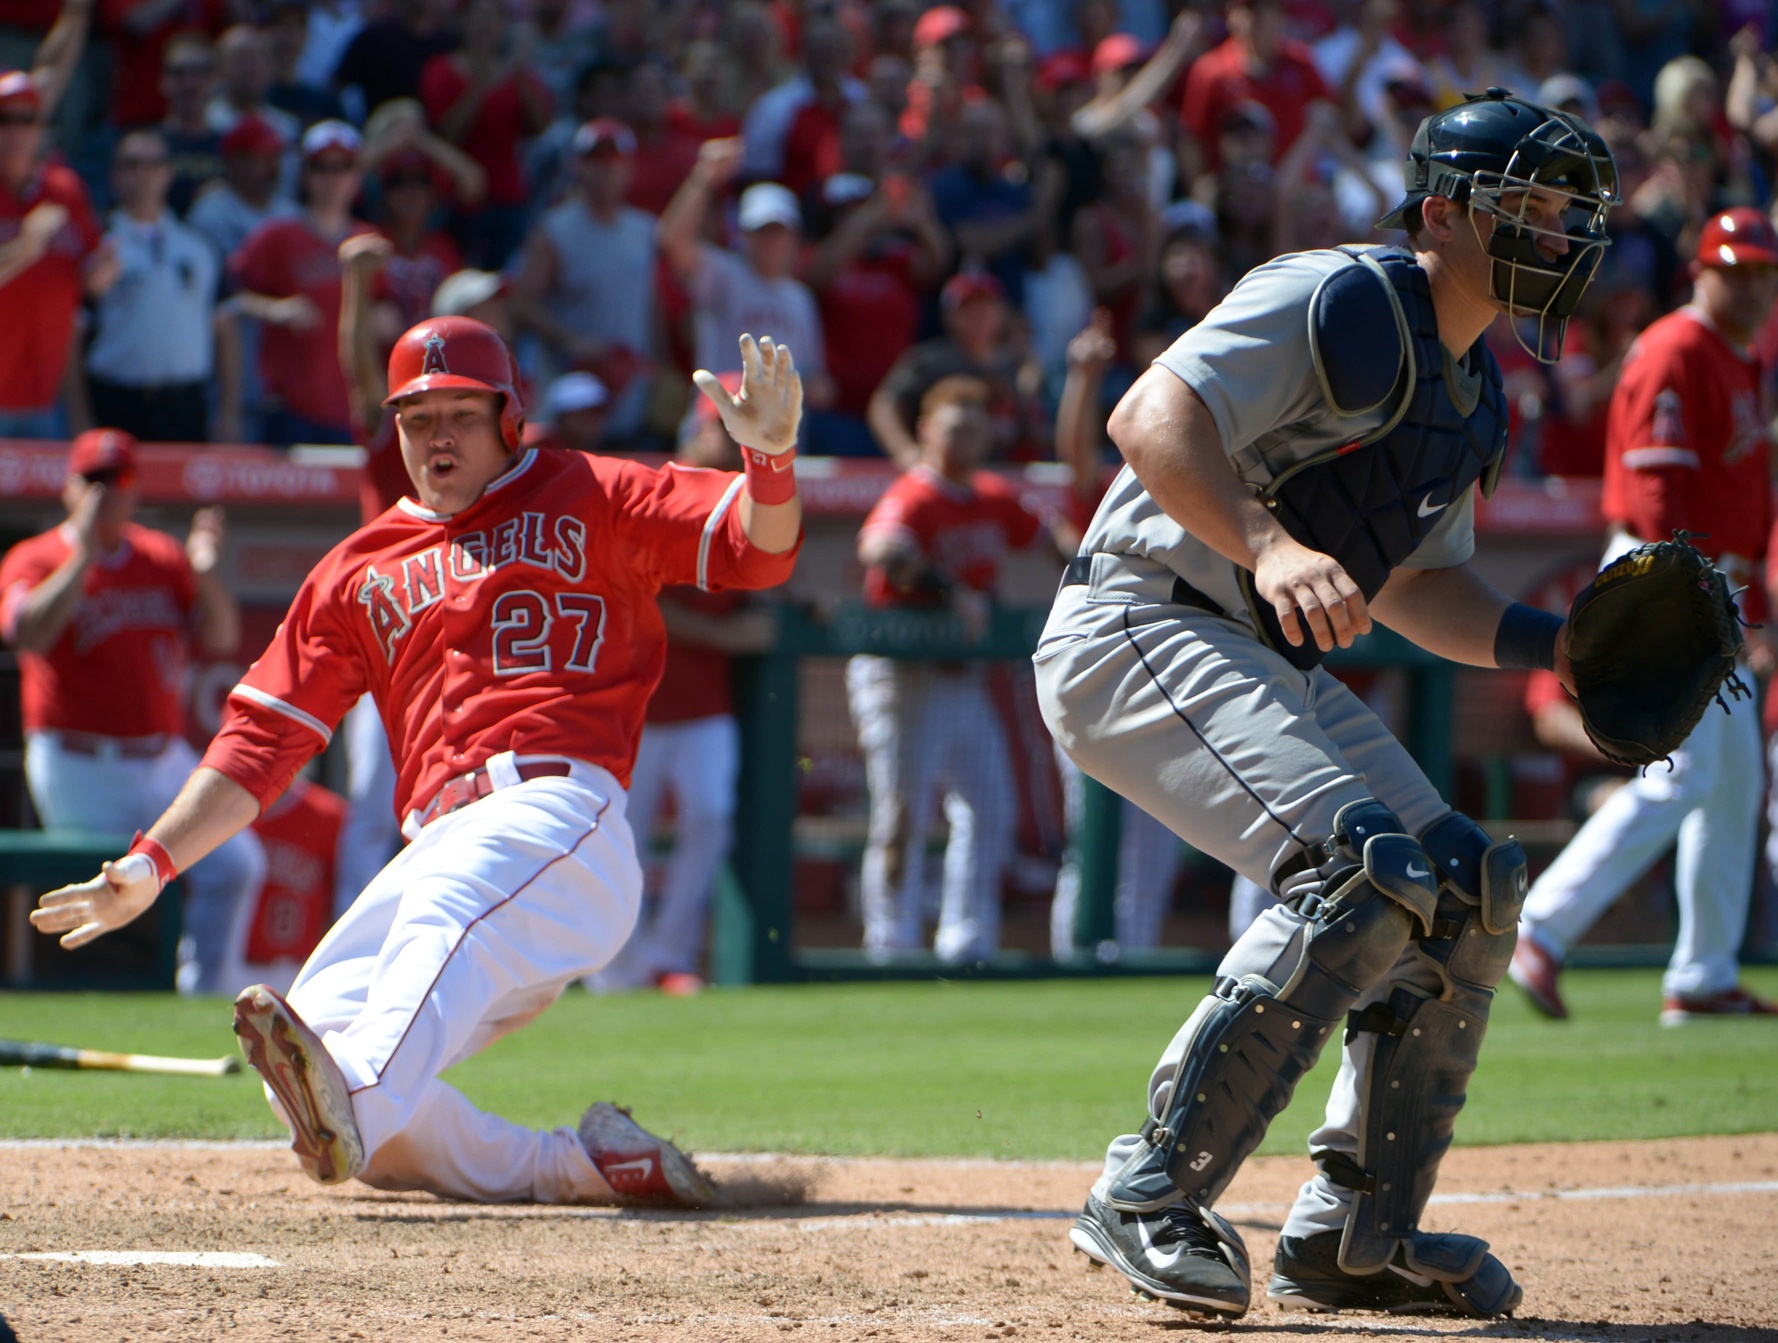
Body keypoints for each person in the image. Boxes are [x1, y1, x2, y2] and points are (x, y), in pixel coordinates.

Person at [1032, 90, 1615, 1318]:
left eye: (1571, 216)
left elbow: (1414, 586)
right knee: (1361, 870)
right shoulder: (1336, 294)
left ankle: (1356, 1229)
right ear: (1446, 213)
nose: (1560, 238)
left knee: (1461, 885)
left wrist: (1546, 643)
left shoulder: (1472, 392)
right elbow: (1149, 415)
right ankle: (1147, 1185)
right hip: (1139, 617)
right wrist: (1262, 540)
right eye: (1536, 208)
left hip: (1251, 650)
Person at [31, 322, 803, 1208]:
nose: (438, 437)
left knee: (356, 1071)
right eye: (417, 416)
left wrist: (771, 461)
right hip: (441, 841)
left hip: (559, 819)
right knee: (313, 1044)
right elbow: (258, 741)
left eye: (462, 415)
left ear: (511, 419)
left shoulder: (590, 489)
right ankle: (575, 1166)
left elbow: (757, 549)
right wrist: (149, 863)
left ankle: (356, 1095)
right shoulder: (356, 569)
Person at [1509, 207, 1778, 1026]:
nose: (1750, 286)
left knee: (1733, 781)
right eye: (1734, 270)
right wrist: (1681, 599)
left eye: (1762, 273)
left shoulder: (1742, 361)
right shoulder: (1678, 347)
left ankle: (1701, 975)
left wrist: (1748, 609)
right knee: (1686, 771)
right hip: (1664, 575)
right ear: (1700, 271)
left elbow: (1748, 497)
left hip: (1711, 585)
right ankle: (1540, 927)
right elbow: (1659, 490)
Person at [1, 428, 262, 996]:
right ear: (69, 487)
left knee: (236, 864)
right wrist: (84, 557)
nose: (106, 494)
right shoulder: (37, 555)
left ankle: (205, 996)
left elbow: (221, 633)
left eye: (118, 481)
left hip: (159, 757)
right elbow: (26, 634)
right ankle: (80, 1003)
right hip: (77, 760)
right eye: (93, 481)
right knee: (98, 895)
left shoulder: (159, 556)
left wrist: (202, 570)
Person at [852, 375, 1069, 962]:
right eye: (954, 428)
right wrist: (949, 591)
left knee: (989, 808)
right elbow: (880, 549)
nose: (965, 440)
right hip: (902, 675)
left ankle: (965, 943)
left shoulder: (993, 494)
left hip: (961, 681)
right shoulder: (915, 493)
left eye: (976, 429)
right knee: (902, 812)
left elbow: (1058, 540)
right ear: (925, 431)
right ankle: (889, 945)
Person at [593, 373, 777, 994]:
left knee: (710, 817)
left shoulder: (753, 495)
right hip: (637, 704)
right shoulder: (660, 490)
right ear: (698, 427)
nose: (729, 442)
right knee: (624, 838)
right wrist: (730, 638)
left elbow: (768, 567)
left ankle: (668, 955)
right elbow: (647, 603)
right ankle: (616, 967)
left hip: (704, 703)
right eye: (722, 428)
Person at [0, 0, 112, 439]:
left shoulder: (63, 190)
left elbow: (85, 281)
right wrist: (25, 246)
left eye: (27, 119)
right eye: (5, 120)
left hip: (46, 402)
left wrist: (101, 275)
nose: (16, 129)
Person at [659, 136, 836, 412]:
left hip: (777, 439)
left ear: (794, 238)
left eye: (778, 231)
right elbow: (673, 239)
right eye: (761, 231)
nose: (771, 241)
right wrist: (703, 177)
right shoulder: (725, 274)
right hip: (718, 428)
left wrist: (817, 386)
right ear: (743, 235)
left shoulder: (800, 298)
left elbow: (813, 373)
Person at [508, 117, 657, 442]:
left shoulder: (644, 230)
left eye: (614, 158)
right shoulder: (556, 230)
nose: (606, 168)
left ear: (630, 166)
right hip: (573, 394)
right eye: (595, 159)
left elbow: (654, 308)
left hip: (630, 391)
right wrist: (571, 339)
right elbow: (520, 301)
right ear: (578, 165)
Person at [228, 119, 375, 445]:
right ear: (305, 173)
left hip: (354, 410)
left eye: (343, 166)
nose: (332, 178)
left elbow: (390, 308)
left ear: (357, 175)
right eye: (322, 167)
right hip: (289, 409)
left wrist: (384, 316)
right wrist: (274, 308)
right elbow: (229, 301)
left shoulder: (371, 242)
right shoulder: (275, 236)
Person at [79, 128, 221, 443]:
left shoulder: (198, 246)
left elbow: (224, 325)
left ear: (168, 173)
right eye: (132, 164)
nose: (143, 174)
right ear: (115, 175)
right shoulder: (95, 245)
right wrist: (80, 416)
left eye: (153, 164)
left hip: (183, 402)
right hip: (115, 398)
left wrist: (227, 412)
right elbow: (72, 337)